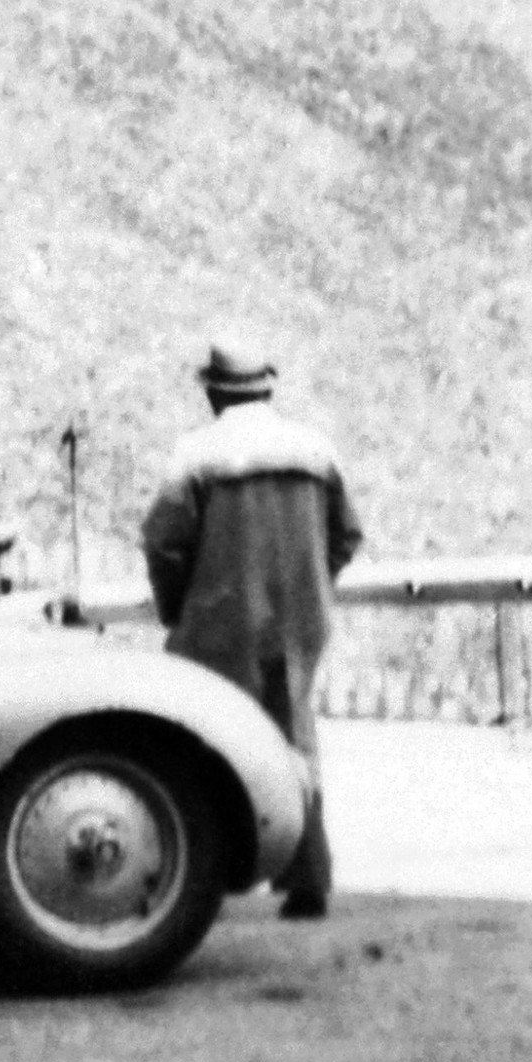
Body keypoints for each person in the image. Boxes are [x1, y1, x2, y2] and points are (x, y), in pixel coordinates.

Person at [140, 338, 363, 918]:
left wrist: (177, 607)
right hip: (300, 621)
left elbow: (165, 542)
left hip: (220, 619)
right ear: (269, 385)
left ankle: (204, 881)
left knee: (208, 742)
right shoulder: (315, 450)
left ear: (213, 390)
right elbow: (347, 535)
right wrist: (315, 583)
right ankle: (307, 877)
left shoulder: (195, 454)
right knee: (295, 735)